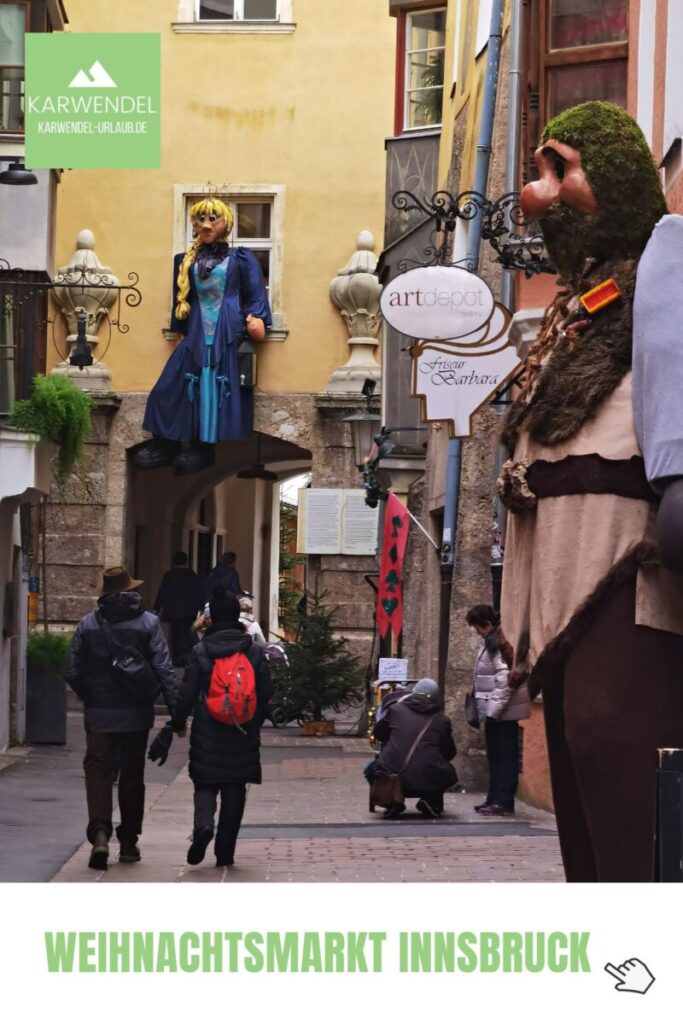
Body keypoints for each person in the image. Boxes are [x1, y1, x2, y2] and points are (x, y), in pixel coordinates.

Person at [133, 197, 272, 476]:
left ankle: (203, 449)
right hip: (195, 332)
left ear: (226, 225)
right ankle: (167, 444)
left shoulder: (241, 257)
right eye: (200, 219)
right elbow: (180, 301)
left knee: (211, 391)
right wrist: (179, 332)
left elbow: (255, 293)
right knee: (169, 388)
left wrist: (257, 317)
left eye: (213, 219)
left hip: (227, 333)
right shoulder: (185, 261)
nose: (206, 224)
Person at [64, 566, 178, 871]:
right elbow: (165, 670)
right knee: (131, 776)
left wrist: (92, 697)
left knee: (98, 773)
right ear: (131, 590)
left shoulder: (88, 624)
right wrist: (176, 712)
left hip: (99, 716)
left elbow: (72, 670)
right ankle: (128, 842)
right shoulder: (149, 623)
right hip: (136, 715)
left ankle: (100, 835)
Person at [172, 589, 272, 868]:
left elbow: (187, 692)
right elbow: (265, 691)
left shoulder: (201, 650)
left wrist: (179, 723)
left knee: (205, 782)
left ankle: (204, 825)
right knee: (235, 788)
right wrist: (254, 721)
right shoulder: (252, 650)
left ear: (212, 617)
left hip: (208, 728)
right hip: (243, 730)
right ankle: (225, 851)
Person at [466, 604, 530, 817]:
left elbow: (505, 681)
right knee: (496, 757)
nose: (476, 632)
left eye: (477, 628)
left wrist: (493, 712)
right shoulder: (491, 641)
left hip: (502, 713)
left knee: (504, 757)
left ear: (486, 625)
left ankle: (503, 802)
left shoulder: (498, 644)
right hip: (496, 712)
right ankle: (494, 799)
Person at [368, 678, 457, 819]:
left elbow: (378, 733)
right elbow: (449, 751)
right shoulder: (442, 720)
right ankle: (429, 799)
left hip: (392, 772)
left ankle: (391, 800)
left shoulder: (396, 710)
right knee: (449, 773)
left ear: (413, 693)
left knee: (371, 769)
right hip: (427, 776)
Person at [153, 551, 202, 667]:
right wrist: (200, 607)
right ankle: (187, 657)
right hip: (190, 611)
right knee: (188, 633)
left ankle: (177, 657)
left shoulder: (169, 575)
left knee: (175, 635)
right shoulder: (192, 575)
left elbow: (162, 592)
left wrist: (156, 608)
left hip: (174, 611)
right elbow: (198, 593)